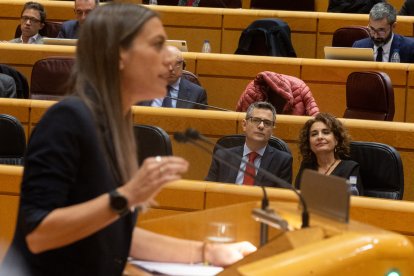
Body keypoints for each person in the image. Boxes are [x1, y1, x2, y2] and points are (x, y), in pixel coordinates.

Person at [0, 4, 256, 275]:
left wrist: (206, 252)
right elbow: (39, 235)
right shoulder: (67, 120)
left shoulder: (116, 124)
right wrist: (126, 195)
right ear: (121, 55)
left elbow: (113, 234)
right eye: (156, 45)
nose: (169, 58)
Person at [206, 101, 293, 187]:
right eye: (256, 120)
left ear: (272, 129)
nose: (261, 126)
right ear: (244, 125)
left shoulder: (282, 161)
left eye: (267, 123)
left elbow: (280, 198)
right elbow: (207, 191)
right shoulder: (222, 156)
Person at [295, 113, 363, 196]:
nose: (319, 137)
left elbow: (355, 202)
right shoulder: (306, 167)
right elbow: (297, 197)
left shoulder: (350, 169)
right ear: (309, 143)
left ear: (336, 140)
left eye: (326, 132)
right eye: (314, 134)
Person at [138, 45, 208, 109]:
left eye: (176, 63)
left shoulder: (197, 93)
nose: (171, 69)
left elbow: (201, 121)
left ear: (183, 66)